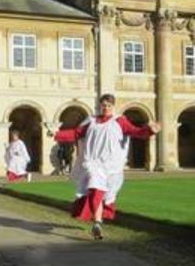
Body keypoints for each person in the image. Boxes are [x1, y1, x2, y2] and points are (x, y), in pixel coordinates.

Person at [53, 94, 161, 240]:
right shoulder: (91, 121)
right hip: (93, 163)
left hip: (111, 166)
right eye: (103, 105)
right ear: (100, 105)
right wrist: (57, 134)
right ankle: (97, 222)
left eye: (109, 105)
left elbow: (135, 131)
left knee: (103, 193)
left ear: (113, 106)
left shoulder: (120, 121)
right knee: (95, 188)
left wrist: (149, 131)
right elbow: (76, 133)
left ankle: (98, 222)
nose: (106, 108)